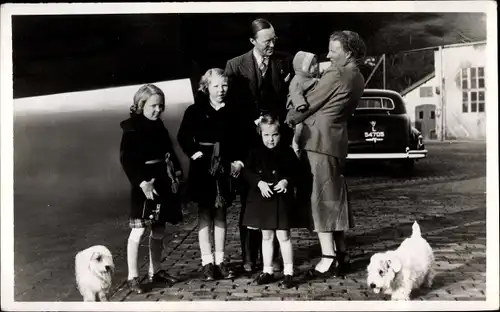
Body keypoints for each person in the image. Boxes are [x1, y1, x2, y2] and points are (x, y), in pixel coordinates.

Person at [286, 30, 366, 278]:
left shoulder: (336, 73)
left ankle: (328, 257)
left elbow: (309, 103)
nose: (329, 55)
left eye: (334, 50)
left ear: (348, 52)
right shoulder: (358, 76)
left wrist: (288, 118)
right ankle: (341, 252)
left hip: (318, 140)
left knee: (320, 199)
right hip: (336, 140)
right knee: (334, 197)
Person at [224, 17, 292, 273]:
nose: (271, 45)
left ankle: (271, 257)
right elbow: (230, 107)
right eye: (266, 41)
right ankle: (248, 258)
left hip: (275, 140)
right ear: (253, 41)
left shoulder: (285, 62)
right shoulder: (235, 65)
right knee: (249, 200)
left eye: (274, 39)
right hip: (248, 143)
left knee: (275, 196)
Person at [177, 68, 246, 281]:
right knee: (205, 213)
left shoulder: (234, 111)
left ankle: (220, 260)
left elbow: (243, 140)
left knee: (221, 213)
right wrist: (194, 152)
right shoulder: (194, 110)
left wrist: (239, 161)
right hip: (203, 167)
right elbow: (183, 136)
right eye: (216, 86)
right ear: (206, 87)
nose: (221, 90)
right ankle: (207, 261)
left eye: (224, 85)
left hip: (225, 166)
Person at [120, 84, 183, 294]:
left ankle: (155, 271)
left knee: (158, 229)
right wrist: (142, 182)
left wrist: (178, 172)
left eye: (161, 106)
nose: (158, 110)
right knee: (138, 230)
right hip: (143, 186)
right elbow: (126, 159)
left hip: (162, 182)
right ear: (141, 104)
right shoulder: (131, 128)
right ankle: (132, 277)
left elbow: (169, 151)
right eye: (154, 106)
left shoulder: (160, 126)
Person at [242, 114, 301, 289]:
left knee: (284, 236)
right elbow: (248, 172)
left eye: (274, 135)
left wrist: (286, 181)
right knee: (266, 236)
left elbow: (296, 171)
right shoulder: (254, 152)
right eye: (266, 135)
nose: (270, 139)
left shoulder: (287, 151)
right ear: (260, 134)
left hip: (281, 201)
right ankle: (267, 270)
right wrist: (259, 182)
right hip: (264, 200)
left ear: (280, 134)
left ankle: (289, 272)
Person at [286, 51, 320, 156]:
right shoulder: (297, 80)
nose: (316, 67)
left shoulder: (311, 79)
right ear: (304, 67)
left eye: (315, 64)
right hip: (296, 108)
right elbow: (295, 92)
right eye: (312, 65)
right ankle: (295, 143)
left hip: (307, 109)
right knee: (299, 126)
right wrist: (300, 104)